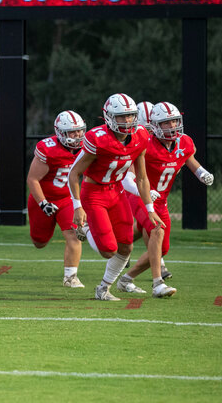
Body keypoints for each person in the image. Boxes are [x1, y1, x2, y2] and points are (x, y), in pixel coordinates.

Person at [69, 93, 165, 301]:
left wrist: (150, 209)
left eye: (130, 116)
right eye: (121, 117)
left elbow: (141, 178)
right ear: (109, 117)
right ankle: (85, 228)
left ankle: (103, 288)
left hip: (117, 192)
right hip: (94, 193)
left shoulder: (140, 136)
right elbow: (74, 173)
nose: (127, 121)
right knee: (108, 250)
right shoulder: (98, 139)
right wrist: (77, 206)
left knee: (126, 246)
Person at [116, 102, 214, 297]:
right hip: (140, 196)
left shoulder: (184, 141)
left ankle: (126, 279)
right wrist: (140, 191)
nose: (172, 126)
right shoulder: (145, 143)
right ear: (154, 125)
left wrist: (203, 174)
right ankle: (157, 283)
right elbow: (128, 176)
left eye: (175, 121)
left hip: (161, 201)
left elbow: (191, 162)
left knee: (163, 249)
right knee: (157, 229)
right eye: (166, 123)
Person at [26, 110, 87, 288]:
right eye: (72, 132)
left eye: (80, 131)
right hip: (44, 199)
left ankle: (70, 277)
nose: (77, 136)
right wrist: (43, 203)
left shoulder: (87, 147)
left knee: (74, 234)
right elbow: (33, 179)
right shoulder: (48, 148)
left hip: (68, 198)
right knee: (39, 242)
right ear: (60, 133)